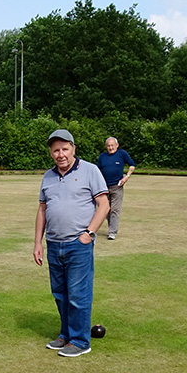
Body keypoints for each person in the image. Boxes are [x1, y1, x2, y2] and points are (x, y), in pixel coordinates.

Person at [33, 129, 109, 357]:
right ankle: (66, 334)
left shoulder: (90, 171)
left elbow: (104, 204)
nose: (60, 154)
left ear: (73, 148)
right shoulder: (48, 176)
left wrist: (89, 233)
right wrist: (38, 242)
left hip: (78, 244)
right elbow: (42, 209)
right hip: (54, 244)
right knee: (60, 294)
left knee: (78, 294)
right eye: (56, 150)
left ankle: (80, 341)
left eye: (65, 149)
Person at [96, 136, 136, 240]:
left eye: (112, 145)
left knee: (115, 210)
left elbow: (132, 165)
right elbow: (97, 171)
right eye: (108, 146)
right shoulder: (102, 156)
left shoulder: (122, 154)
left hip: (117, 186)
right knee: (106, 210)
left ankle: (112, 232)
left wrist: (127, 176)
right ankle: (112, 227)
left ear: (117, 145)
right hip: (104, 187)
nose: (110, 148)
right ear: (106, 146)